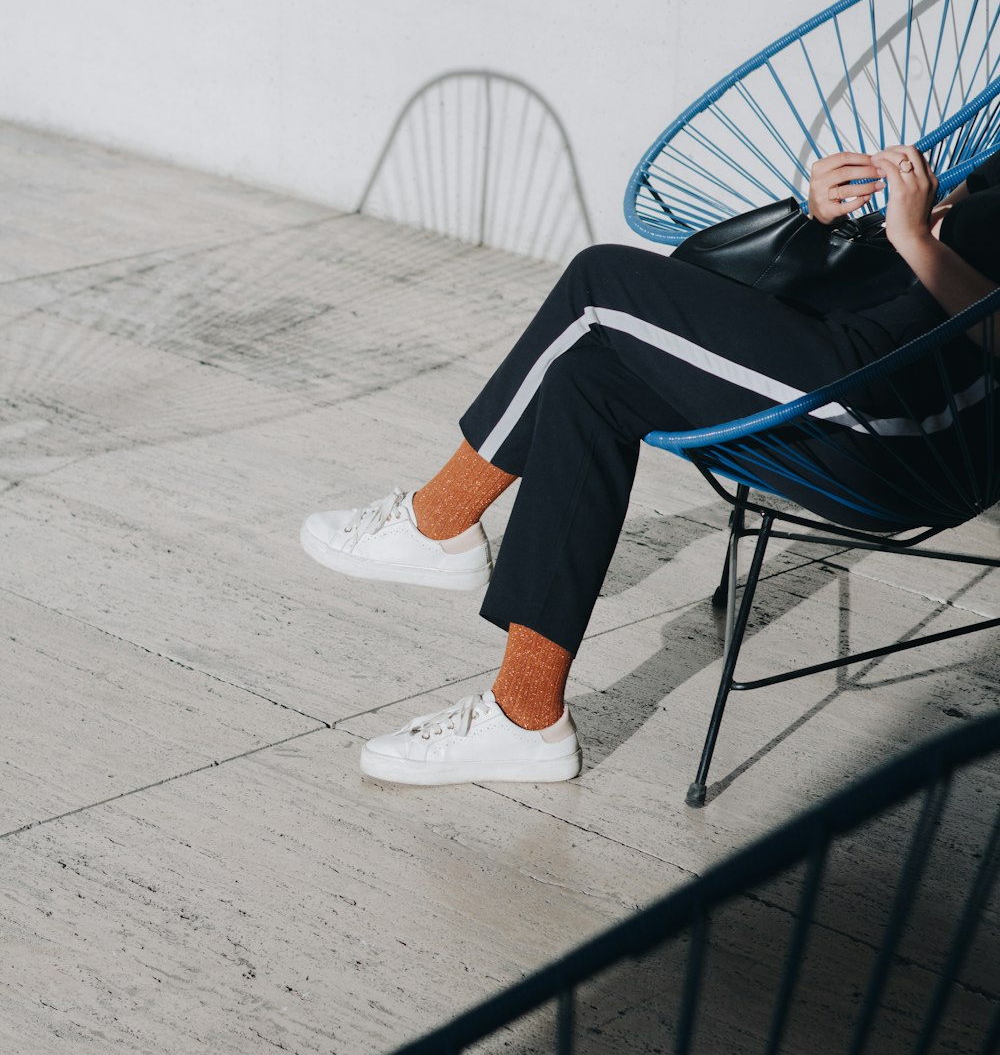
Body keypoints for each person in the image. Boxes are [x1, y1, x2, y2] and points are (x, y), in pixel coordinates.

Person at [301, 143, 1000, 786]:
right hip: (850, 351)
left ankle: (440, 520)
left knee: (601, 279)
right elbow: (928, 253)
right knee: (589, 376)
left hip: (901, 423)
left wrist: (912, 236)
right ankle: (526, 716)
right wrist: (832, 219)